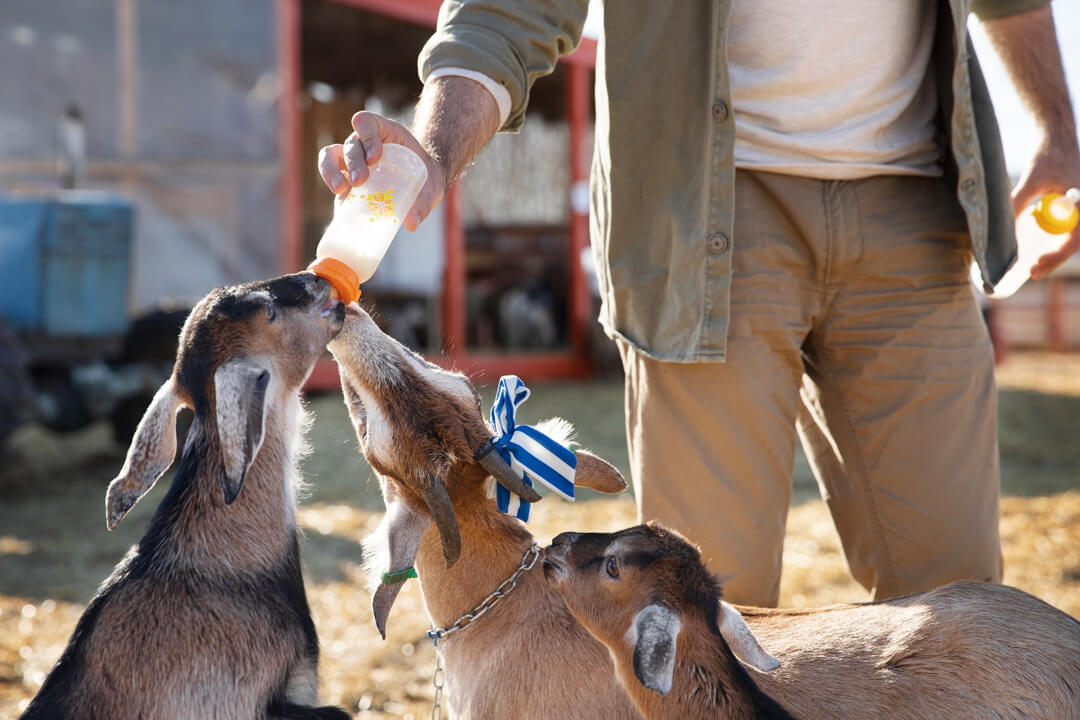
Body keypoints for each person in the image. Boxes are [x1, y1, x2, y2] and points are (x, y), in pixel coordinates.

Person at [318, 1, 1080, 606]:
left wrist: (1054, 127)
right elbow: (506, 10)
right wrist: (436, 148)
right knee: (710, 607)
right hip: (699, 220)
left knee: (958, 595)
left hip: (918, 205)